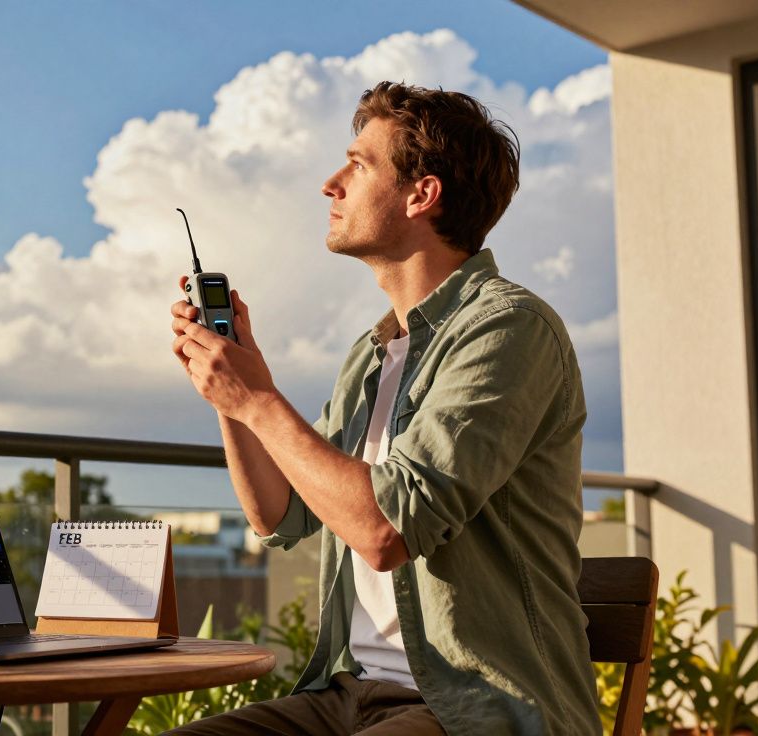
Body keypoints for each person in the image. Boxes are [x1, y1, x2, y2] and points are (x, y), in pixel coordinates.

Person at [167, 81, 601, 735]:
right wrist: (226, 392)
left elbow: (384, 532)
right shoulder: (373, 355)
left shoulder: (510, 330)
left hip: (475, 707)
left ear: (421, 194)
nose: (330, 184)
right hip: (343, 697)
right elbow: (277, 513)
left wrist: (256, 398)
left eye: (359, 164)